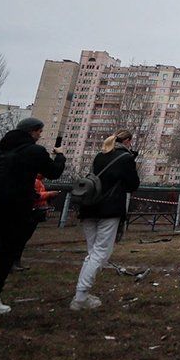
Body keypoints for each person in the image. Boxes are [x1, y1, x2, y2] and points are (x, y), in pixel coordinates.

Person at [0, 118, 65, 316]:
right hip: (17, 210)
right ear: (32, 132)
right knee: (6, 254)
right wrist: (60, 156)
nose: (40, 136)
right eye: (39, 132)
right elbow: (54, 172)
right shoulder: (33, 152)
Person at [70, 130, 140, 310]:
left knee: (93, 252)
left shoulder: (100, 156)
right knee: (101, 253)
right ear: (128, 141)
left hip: (89, 206)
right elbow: (133, 185)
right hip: (109, 209)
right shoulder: (125, 158)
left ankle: (81, 294)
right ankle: (80, 295)